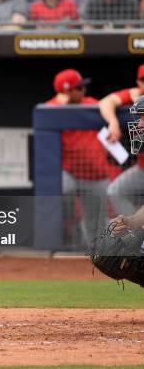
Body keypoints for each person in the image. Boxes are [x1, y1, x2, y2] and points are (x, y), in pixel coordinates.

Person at [46, 69, 110, 247]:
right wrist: (61, 104)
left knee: (95, 225)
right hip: (71, 174)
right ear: (67, 92)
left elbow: (111, 105)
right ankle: (67, 228)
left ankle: (96, 257)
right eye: (79, 88)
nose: (84, 91)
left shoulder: (91, 104)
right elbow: (42, 112)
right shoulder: (52, 109)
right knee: (61, 187)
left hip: (96, 176)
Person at [102, 65, 144, 217]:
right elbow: (106, 102)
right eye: (143, 80)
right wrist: (113, 123)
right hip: (142, 167)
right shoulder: (136, 96)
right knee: (115, 191)